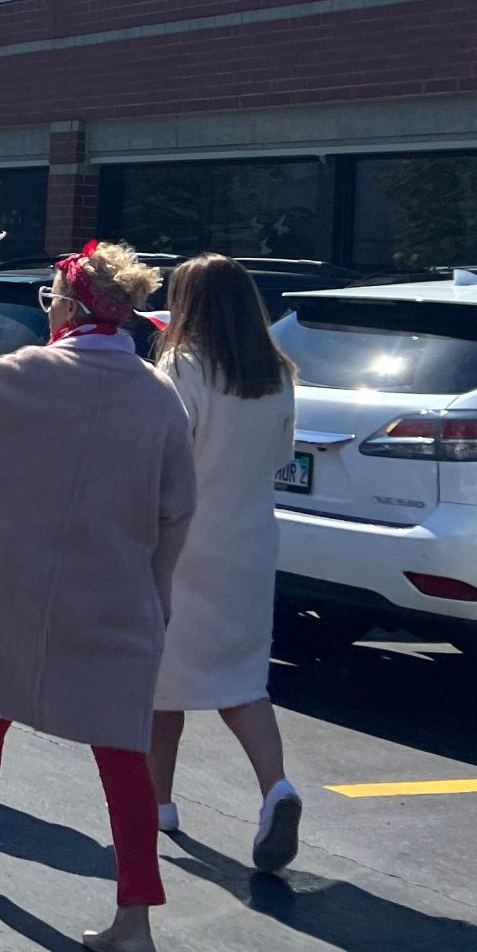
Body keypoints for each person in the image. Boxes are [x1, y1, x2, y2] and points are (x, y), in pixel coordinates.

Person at [0, 241, 196, 952]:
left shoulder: (26, 373)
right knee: (121, 748)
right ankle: (134, 915)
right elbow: (177, 510)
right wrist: (157, 593)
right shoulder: (158, 398)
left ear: (70, 307)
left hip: (14, 585)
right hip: (112, 594)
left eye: (51, 297)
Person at [150, 254, 304, 872]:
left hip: (184, 542)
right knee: (242, 682)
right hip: (250, 542)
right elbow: (280, 455)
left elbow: (165, 455)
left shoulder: (181, 366)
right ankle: (276, 786)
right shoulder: (277, 373)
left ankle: (159, 804)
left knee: (161, 682)